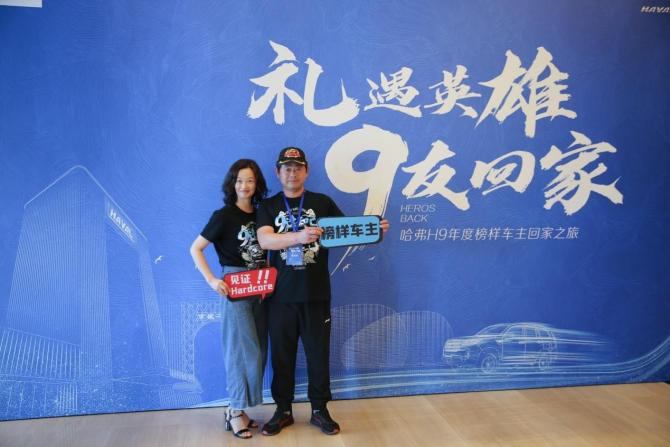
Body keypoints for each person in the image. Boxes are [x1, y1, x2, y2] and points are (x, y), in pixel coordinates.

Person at [256, 147, 389, 436]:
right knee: (282, 356)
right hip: (279, 297)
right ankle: (283, 410)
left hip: (316, 294)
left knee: (318, 355)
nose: (292, 173)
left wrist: (374, 229)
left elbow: (346, 232)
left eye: (297, 167)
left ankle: (320, 409)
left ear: (306, 171)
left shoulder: (322, 202)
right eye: (287, 168)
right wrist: (299, 236)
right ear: (278, 173)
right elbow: (265, 241)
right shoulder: (268, 206)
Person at [189, 159, 269, 440]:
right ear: (232, 184)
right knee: (239, 351)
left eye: (250, 180)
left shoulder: (262, 214)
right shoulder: (223, 216)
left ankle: (240, 408)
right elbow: (196, 248)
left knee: (258, 350)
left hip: (261, 286)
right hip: (235, 287)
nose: (244, 186)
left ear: (257, 184)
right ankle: (235, 411)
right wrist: (212, 280)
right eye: (239, 180)